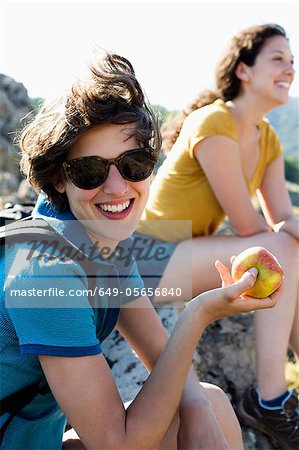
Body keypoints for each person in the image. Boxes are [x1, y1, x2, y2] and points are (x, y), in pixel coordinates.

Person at [0, 51, 279, 450]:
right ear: (60, 180)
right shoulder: (44, 272)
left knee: (209, 401)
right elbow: (119, 444)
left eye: (134, 163)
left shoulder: (102, 245)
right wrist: (197, 313)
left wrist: (197, 409)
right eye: (90, 171)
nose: (116, 188)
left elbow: (159, 357)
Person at [135, 24, 299, 449]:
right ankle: (268, 399)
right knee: (281, 250)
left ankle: (277, 400)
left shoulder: (268, 139)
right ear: (243, 70)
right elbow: (251, 227)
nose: (290, 68)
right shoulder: (214, 122)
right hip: (146, 256)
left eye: (292, 61)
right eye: (278, 58)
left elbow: (283, 217)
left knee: (291, 254)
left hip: (186, 257)